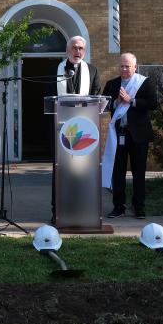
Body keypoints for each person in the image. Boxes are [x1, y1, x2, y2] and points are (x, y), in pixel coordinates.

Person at [100, 53, 157, 218]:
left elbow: (153, 104)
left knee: (139, 172)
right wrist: (117, 102)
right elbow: (103, 105)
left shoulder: (144, 82)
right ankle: (119, 207)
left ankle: (139, 207)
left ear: (135, 67)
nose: (124, 69)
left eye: (127, 66)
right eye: (122, 66)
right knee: (118, 172)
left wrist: (131, 100)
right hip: (118, 133)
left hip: (139, 135)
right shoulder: (112, 84)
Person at [50, 36, 101, 222]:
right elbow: (49, 96)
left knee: (82, 170)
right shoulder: (55, 70)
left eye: (80, 48)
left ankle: (82, 210)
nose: (77, 51)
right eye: (74, 48)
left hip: (85, 128)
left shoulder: (92, 70)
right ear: (67, 50)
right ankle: (58, 212)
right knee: (61, 169)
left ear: (84, 51)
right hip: (61, 128)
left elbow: (96, 94)